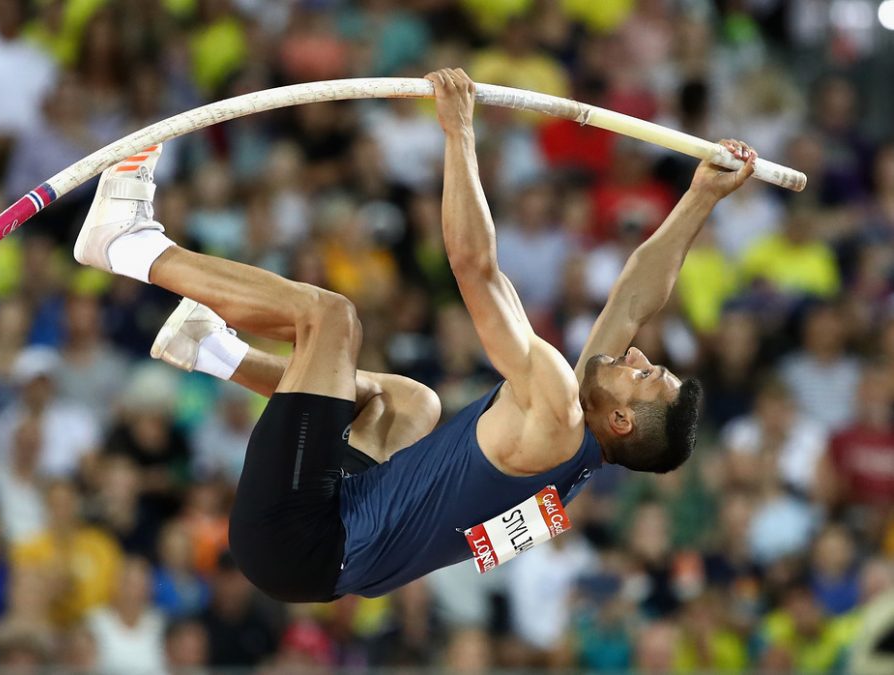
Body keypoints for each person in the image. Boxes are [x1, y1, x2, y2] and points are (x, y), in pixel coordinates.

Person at [72, 68, 756, 604]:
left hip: (301, 538)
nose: (636, 354)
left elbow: (472, 265)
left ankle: (127, 244)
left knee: (329, 318)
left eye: (644, 375)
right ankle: (212, 348)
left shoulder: (554, 407)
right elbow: (637, 294)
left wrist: (457, 134)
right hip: (335, 549)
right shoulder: (572, 458)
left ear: (620, 417)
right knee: (411, 405)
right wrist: (701, 196)